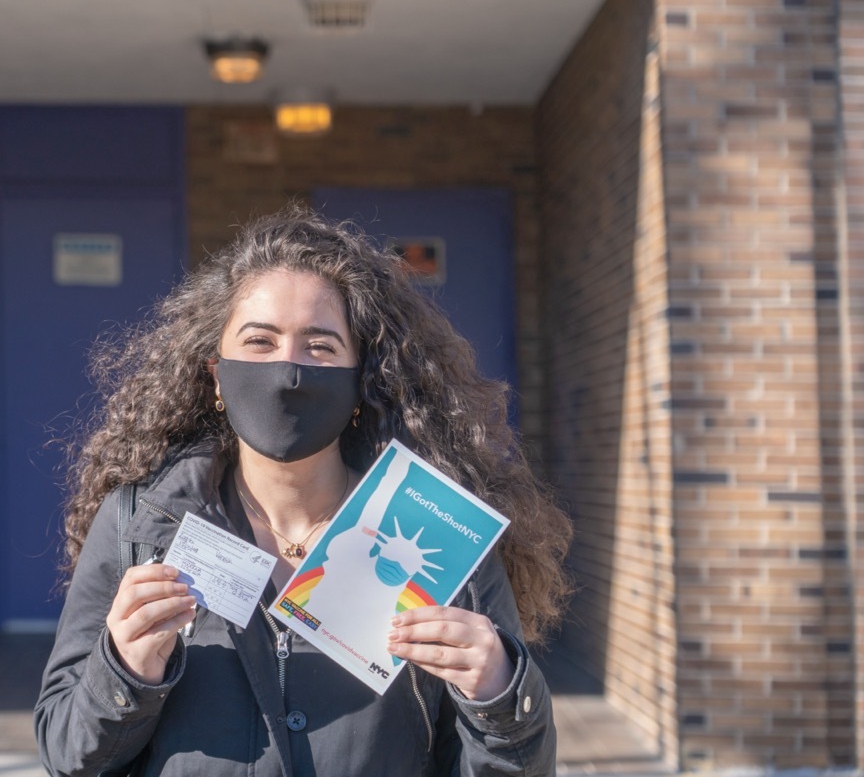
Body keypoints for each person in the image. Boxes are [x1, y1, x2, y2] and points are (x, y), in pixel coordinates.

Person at [35, 205, 573, 776]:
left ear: (361, 380)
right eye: (260, 342)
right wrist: (123, 672)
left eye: (320, 346)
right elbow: (68, 754)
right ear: (216, 376)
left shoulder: (440, 535)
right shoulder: (137, 526)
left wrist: (501, 695)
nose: (289, 370)